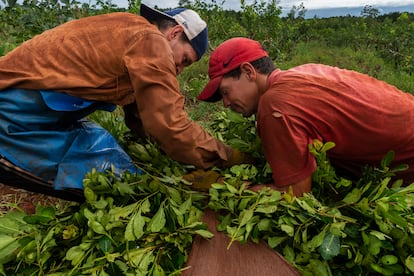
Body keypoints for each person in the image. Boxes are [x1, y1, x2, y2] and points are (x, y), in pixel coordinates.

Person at [0, 4, 248, 197]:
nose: (179, 70)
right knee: (112, 177)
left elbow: (144, 118)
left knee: (105, 149)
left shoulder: (129, 32)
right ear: (175, 33)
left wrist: (172, 159)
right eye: (184, 60)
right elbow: (170, 125)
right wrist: (226, 157)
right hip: (13, 112)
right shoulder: (150, 41)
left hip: (37, 107)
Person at [197, 37, 414, 197]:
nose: (225, 103)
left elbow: (295, 193)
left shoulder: (275, 104)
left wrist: (224, 186)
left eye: (226, 92)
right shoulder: (302, 72)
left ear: (248, 72)